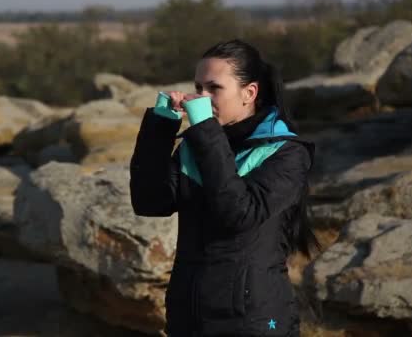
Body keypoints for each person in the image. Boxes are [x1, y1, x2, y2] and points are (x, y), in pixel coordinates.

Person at [129, 39, 322, 336]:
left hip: (259, 322)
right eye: (198, 87)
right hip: (189, 319)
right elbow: (149, 201)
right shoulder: (196, 148)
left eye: (214, 88)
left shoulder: (286, 153)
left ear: (250, 93)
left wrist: (204, 129)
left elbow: (238, 213)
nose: (201, 98)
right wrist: (161, 126)